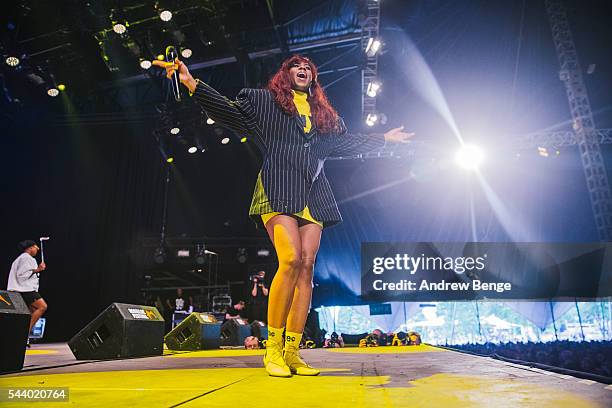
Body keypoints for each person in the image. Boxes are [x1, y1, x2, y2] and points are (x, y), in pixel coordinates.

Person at [154, 55, 413, 377]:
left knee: (306, 268)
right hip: (278, 187)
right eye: (296, 66)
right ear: (286, 74)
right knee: (290, 260)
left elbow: (344, 142)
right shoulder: (266, 102)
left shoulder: (324, 116)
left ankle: (293, 352)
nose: (303, 69)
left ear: (313, 79)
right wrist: (191, 81)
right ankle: (272, 350)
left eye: (308, 67)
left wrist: (383, 138)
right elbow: (229, 113)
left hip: (314, 193)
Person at [7, 240, 48, 344]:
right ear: (30, 248)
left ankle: (21, 336)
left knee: (31, 312)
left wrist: (37, 270)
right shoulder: (26, 258)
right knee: (42, 307)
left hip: (22, 289)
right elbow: (22, 275)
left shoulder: (23, 258)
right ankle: (24, 334)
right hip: (24, 289)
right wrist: (38, 269)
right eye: (35, 247)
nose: (38, 249)